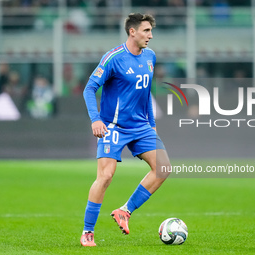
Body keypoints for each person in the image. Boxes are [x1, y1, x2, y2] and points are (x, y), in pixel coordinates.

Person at [81, 13, 170, 247]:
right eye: (146, 31)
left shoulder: (150, 56)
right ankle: (88, 232)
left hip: (141, 126)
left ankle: (125, 211)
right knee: (106, 176)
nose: (150, 36)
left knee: (163, 168)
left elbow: (146, 93)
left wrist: (151, 123)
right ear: (132, 32)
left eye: (151, 31)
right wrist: (95, 119)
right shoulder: (114, 58)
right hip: (113, 126)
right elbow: (89, 89)